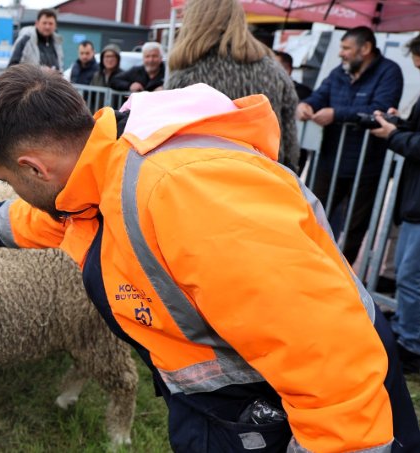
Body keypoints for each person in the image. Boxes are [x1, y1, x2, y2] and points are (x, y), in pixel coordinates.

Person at [0, 63, 420, 453]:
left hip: (299, 415)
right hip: (230, 409)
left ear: (34, 167)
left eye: (11, 181)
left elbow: (326, 357)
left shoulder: (185, 193)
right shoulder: (102, 171)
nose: (16, 192)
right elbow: (52, 219)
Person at [297, 26, 403, 263]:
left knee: (354, 229)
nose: (341, 53)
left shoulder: (389, 72)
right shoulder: (339, 73)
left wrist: (337, 114)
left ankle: (343, 281)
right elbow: (318, 96)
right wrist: (306, 105)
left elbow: (379, 109)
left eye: (346, 48)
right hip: (328, 160)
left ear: (365, 48)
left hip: (366, 166)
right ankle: (304, 266)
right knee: (311, 216)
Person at [166, 0, 299, 173]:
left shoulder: (186, 75)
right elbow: (289, 139)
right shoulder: (274, 70)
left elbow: (171, 142)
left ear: (192, 21)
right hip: (263, 178)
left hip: (201, 180)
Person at [370, 34, 420, 374]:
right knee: (407, 274)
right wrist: (399, 125)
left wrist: (393, 136)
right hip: (414, 199)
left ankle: (411, 345)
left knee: (409, 276)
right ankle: (406, 329)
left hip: (418, 203)